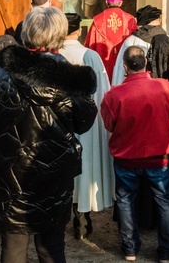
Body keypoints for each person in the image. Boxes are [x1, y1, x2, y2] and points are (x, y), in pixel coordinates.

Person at [0, 7, 97, 263]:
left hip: (11, 172)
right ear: (59, 34)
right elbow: (85, 121)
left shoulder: (2, 75)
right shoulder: (70, 79)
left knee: (14, 247)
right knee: (51, 246)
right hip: (51, 172)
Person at [101, 46, 169, 263]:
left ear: (125, 67)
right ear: (146, 63)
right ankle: (166, 252)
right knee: (164, 202)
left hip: (127, 157)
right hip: (158, 156)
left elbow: (109, 124)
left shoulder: (114, 94)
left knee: (125, 202)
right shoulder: (166, 87)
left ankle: (130, 249)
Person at [60, 14, 114, 241]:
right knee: (85, 168)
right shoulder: (91, 56)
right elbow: (103, 92)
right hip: (87, 122)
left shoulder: (53, 55)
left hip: (59, 121)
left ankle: (64, 214)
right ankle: (82, 218)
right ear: (78, 32)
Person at [112, 5, 169, 85]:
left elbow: (120, 71)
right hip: (165, 89)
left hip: (137, 89)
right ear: (159, 21)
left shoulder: (130, 41)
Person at [84, 0, 138, 77]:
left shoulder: (98, 20)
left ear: (106, 2)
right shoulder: (130, 20)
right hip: (125, 65)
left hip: (102, 66)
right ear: (121, 3)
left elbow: (90, 45)